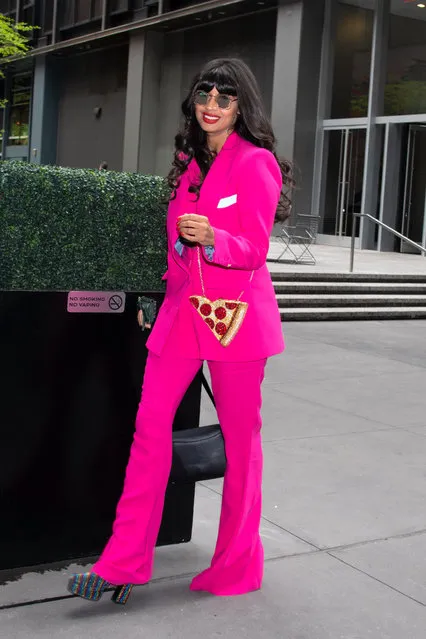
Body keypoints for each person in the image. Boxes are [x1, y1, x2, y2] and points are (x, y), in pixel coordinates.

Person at [68, 58, 293, 605]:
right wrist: (162, 292)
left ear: (242, 106)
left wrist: (214, 237)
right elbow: (175, 248)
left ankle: (236, 564)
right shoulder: (187, 164)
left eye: (225, 96)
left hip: (236, 319)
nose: (212, 103)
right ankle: (123, 560)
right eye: (204, 93)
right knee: (148, 431)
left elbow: (255, 249)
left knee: (242, 445)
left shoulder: (257, 163)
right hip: (182, 317)